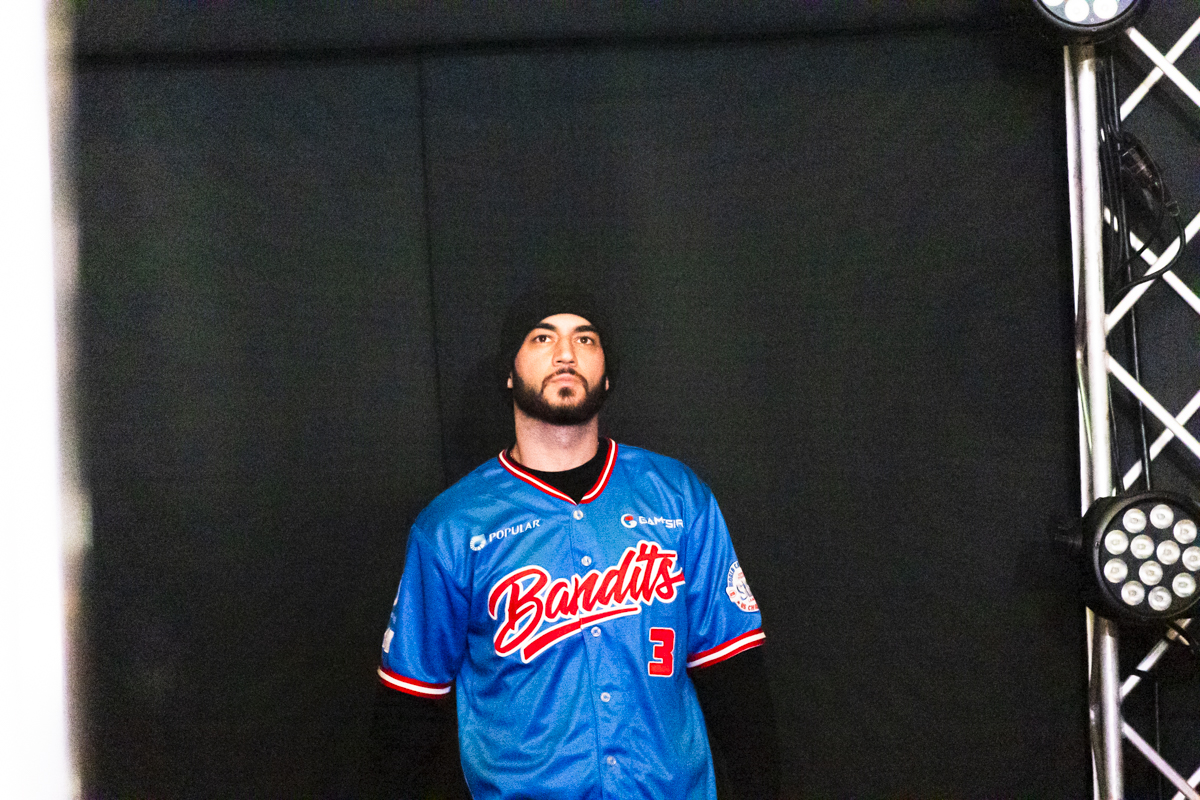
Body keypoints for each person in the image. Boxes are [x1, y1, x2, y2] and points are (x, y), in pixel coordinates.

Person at [371, 285, 781, 800]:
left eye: (585, 339)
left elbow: (733, 675)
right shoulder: (453, 525)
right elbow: (408, 709)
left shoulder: (676, 495)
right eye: (542, 337)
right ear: (509, 370)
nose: (566, 353)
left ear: (606, 374)